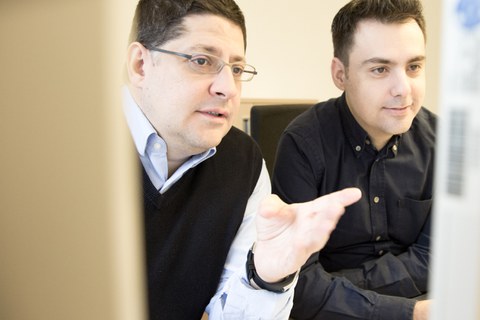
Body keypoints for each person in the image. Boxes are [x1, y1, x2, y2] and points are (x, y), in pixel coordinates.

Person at [122, 0, 361, 319]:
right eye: (201, 60)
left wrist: (265, 276)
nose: (227, 89)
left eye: (235, 69)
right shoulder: (67, 148)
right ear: (140, 64)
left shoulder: (243, 161)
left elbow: (232, 312)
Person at [271, 0, 434, 319]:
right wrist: (409, 313)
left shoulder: (442, 142)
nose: (403, 89)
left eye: (413, 67)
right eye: (380, 69)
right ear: (340, 74)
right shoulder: (302, 143)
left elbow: (441, 258)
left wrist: (338, 290)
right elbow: (299, 286)